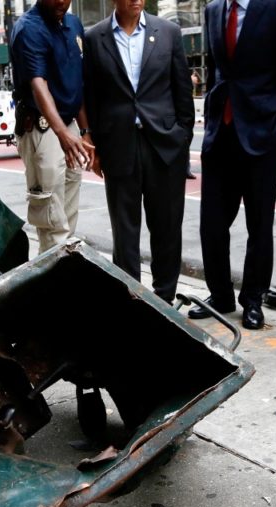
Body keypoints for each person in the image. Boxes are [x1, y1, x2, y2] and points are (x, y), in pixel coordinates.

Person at [191, 0, 276, 329]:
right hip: (221, 136)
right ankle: (220, 295)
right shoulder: (214, 9)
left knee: (259, 226)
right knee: (211, 225)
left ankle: (253, 299)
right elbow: (218, 71)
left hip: (262, 136)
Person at [82, 0, 194, 304]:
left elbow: (182, 90)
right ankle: (131, 303)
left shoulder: (168, 32)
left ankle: (164, 302)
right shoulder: (95, 38)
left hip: (165, 148)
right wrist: (96, 145)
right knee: (125, 234)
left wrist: (182, 140)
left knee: (167, 230)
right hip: (118, 146)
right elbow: (92, 96)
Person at [10, 0, 93, 253]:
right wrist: (62, 133)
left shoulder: (74, 24)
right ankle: (52, 285)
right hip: (43, 129)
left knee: (67, 216)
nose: (61, 1)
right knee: (50, 220)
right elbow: (38, 85)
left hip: (69, 128)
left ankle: (61, 277)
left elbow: (77, 85)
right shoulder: (28, 28)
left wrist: (85, 131)